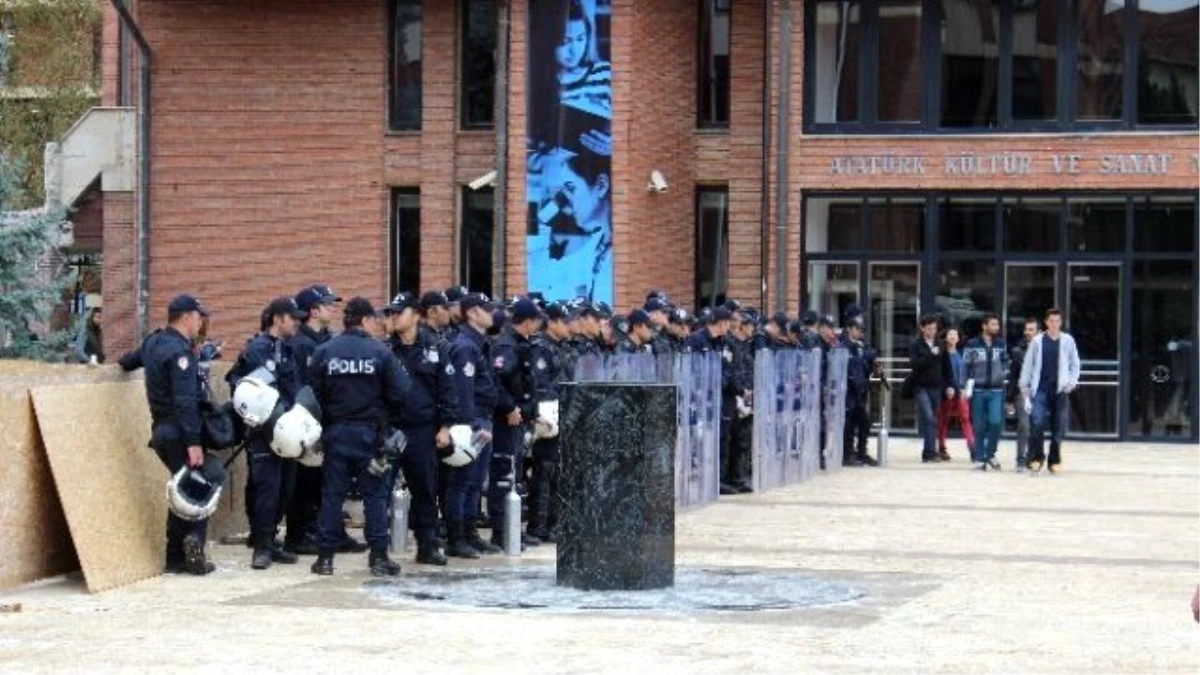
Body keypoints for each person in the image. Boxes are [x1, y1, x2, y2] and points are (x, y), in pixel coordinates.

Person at [308, 297, 412, 577]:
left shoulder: (324, 351)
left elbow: (312, 395)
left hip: (336, 433)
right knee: (375, 497)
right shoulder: (381, 353)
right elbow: (403, 392)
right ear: (365, 321)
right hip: (371, 435)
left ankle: (325, 558)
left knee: (332, 496)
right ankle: (378, 558)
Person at [133, 294, 216, 575]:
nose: (200, 322)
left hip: (160, 430)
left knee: (180, 489)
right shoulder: (180, 352)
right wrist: (194, 442)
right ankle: (194, 543)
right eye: (198, 316)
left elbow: (125, 361)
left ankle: (174, 557)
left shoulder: (152, 343)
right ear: (186, 317)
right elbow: (184, 401)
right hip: (179, 431)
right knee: (199, 487)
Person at [229, 297, 306, 569]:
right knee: (267, 490)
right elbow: (242, 387)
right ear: (277, 319)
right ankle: (261, 546)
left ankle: (272, 541)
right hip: (264, 432)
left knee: (286, 489)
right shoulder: (257, 350)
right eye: (292, 317)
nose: (297, 322)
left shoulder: (286, 349)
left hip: (287, 432)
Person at [384, 292, 460, 566]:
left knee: (426, 490)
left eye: (398, 312)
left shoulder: (436, 347)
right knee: (380, 490)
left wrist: (446, 426)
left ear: (415, 315)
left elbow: (448, 390)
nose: (393, 318)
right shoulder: (386, 350)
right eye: (390, 313)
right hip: (391, 429)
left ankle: (427, 545)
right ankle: (380, 550)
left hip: (423, 429)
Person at [446, 293, 501, 558]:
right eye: (486, 309)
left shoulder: (479, 343)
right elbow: (463, 391)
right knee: (463, 482)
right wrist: (468, 427)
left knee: (475, 481)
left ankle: (470, 533)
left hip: (482, 418)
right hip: (472, 420)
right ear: (472, 313)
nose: (492, 313)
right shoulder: (465, 346)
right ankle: (457, 537)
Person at [489, 297, 544, 549]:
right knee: (505, 475)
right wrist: (509, 407)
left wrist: (531, 413)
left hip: (519, 420)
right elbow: (496, 381)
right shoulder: (506, 346)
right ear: (529, 320)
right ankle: (502, 533)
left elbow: (525, 384)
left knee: (515, 475)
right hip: (505, 422)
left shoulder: (521, 344)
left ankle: (512, 530)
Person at [528, 301, 571, 542]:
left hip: (562, 413)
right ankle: (538, 526)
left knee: (557, 474)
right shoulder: (540, 348)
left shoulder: (559, 347)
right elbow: (540, 384)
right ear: (552, 322)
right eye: (565, 321)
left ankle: (553, 524)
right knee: (544, 472)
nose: (569, 326)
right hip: (547, 417)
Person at [1019, 308, 1081, 473]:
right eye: (1051, 321)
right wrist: (1024, 387)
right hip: (1040, 389)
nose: (1054, 324)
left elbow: (1075, 364)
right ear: (1046, 323)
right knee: (1037, 422)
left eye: (1057, 321)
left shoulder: (1068, 340)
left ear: (1061, 322)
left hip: (1059, 390)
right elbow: (1028, 365)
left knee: (1057, 426)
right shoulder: (1037, 341)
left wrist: (1072, 382)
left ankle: (1054, 460)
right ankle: (1037, 458)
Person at [963, 313, 1010, 471]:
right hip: (978, 390)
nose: (996, 327)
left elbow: (1005, 361)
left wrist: (1003, 373)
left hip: (996, 389)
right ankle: (979, 458)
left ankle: (990, 454)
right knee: (979, 425)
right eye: (993, 324)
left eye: (997, 325)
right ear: (984, 326)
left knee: (996, 422)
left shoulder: (1001, 343)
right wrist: (963, 386)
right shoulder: (972, 344)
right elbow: (965, 366)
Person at [910, 314, 954, 463]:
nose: (932, 331)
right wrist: (930, 355)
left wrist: (950, 385)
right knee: (929, 417)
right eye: (929, 328)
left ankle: (928, 452)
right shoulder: (916, 345)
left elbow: (947, 367)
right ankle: (929, 452)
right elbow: (915, 365)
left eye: (934, 328)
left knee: (933, 419)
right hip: (920, 386)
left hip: (936, 387)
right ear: (922, 328)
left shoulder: (941, 344)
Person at [841, 316, 879, 467]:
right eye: (857, 328)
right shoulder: (844, 346)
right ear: (849, 329)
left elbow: (871, 355)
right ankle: (847, 454)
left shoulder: (863, 346)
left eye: (861, 329)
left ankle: (862, 452)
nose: (860, 331)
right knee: (848, 425)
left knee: (864, 423)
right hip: (849, 390)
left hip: (861, 389)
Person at [936, 327, 976, 465]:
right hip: (946, 392)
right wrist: (946, 387)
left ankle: (972, 448)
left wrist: (966, 388)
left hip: (960, 392)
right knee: (943, 420)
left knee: (965, 418)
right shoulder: (941, 354)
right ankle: (941, 447)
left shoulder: (962, 354)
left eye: (955, 335)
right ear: (946, 337)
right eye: (950, 334)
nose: (953, 336)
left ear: (958, 339)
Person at [1007, 317, 1038, 471]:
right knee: (1024, 425)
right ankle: (1020, 458)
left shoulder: (1044, 349)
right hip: (1023, 392)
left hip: (1040, 393)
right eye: (1026, 329)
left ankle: (1033, 458)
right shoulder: (1017, 351)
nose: (1028, 332)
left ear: (1038, 331)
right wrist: (1010, 398)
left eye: (1031, 329)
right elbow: (1013, 376)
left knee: (1036, 426)